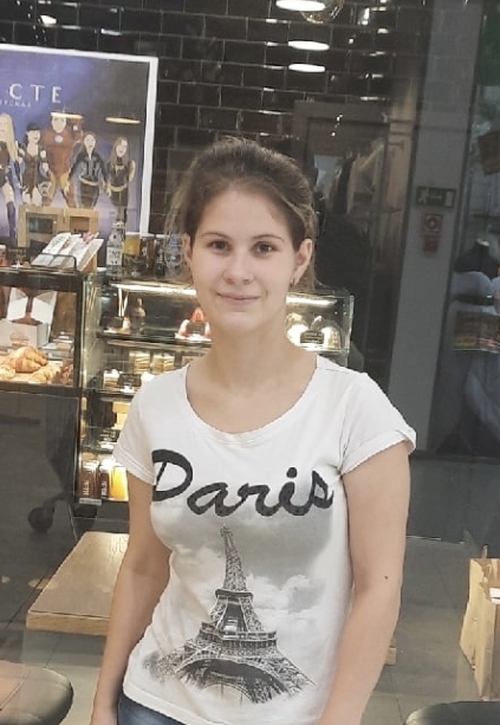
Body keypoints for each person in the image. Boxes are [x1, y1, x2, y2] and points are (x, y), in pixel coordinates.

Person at [91, 137, 415, 725]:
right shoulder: (155, 407)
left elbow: (379, 589)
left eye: (264, 247)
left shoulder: (356, 411)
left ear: (300, 258)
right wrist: (102, 702)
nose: (238, 272)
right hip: (154, 706)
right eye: (218, 245)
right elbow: (142, 567)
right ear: (189, 252)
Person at [69, 131, 108, 209]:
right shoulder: (81, 155)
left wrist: (107, 183)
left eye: (92, 140)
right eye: (87, 140)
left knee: (91, 208)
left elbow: (104, 170)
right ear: (83, 142)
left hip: (94, 186)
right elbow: (74, 168)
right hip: (83, 185)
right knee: (82, 207)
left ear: (95, 142)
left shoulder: (98, 156)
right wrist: (68, 180)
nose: (90, 143)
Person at [0, 113, 20, 246]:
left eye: (5, 124)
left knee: (10, 201)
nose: (2, 127)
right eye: (0, 124)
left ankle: (13, 234)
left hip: (5, 175)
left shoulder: (11, 144)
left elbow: (16, 164)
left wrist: (19, 180)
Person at [106, 136, 136, 225]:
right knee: (115, 211)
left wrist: (133, 169)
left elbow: (129, 179)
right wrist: (107, 188)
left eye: (124, 146)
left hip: (123, 191)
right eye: (120, 145)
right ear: (116, 146)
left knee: (122, 212)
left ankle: (122, 225)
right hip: (112, 192)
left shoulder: (129, 164)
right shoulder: (109, 163)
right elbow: (106, 178)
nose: (122, 148)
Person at [19, 122, 49, 207]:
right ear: (27, 133)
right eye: (33, 133)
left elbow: (45, 164)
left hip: (37, 178)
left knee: (36, 203)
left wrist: (48, 174)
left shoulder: (41, 149)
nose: (36, 135)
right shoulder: (23, 148)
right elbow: (18, 164)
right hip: (26, 179)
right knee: (26, 203)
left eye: (38, 133)